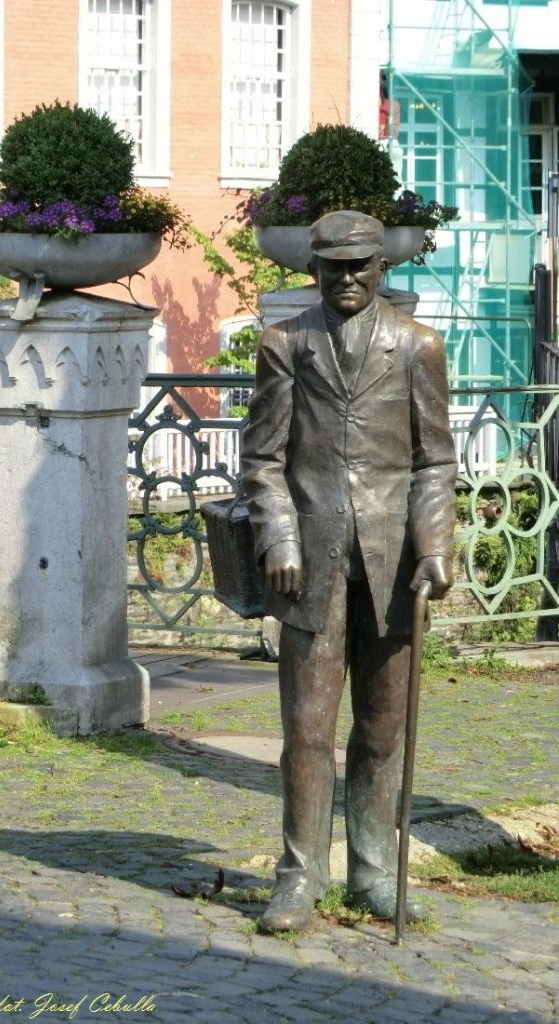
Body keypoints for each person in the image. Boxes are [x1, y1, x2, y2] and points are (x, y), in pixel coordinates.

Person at [240, 210, 458, 933]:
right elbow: (263, 460)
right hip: (310, 562)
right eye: (334, 267)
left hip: (395, 562)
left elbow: (435, 462)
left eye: (360, 265)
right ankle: (298, 876)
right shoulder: (285, 344)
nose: (348, 279)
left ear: (381, 267)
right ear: (313, 270)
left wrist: (434, 548)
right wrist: (279, 538)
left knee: (383, 728)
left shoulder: (417, 347)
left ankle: (373, 870)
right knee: (307, 728)